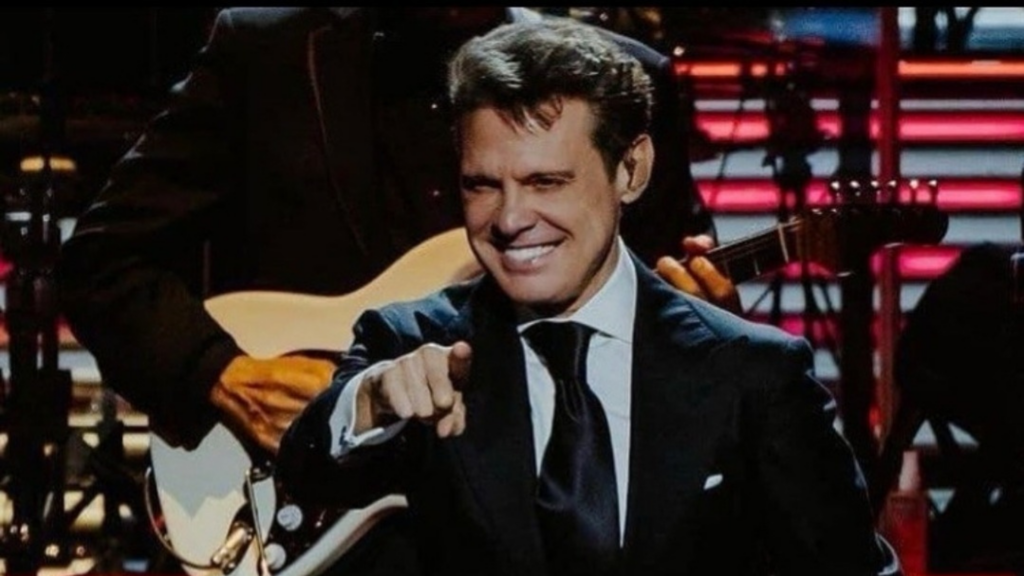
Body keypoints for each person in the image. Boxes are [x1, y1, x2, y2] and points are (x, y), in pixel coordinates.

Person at [279, 18, 901, 576]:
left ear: (631, 170)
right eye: (482, 185)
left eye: (546, 182)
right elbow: (304, 473)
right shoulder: (410, 343)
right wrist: (372, 402)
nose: (510, 219)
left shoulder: (754, 373)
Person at [56, 7, 734, 458]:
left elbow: (672, 303)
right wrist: (219, 374)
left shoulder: (620, 79)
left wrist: (701, 324)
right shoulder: (263, 54)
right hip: (314, 514)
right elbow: (102, 260)